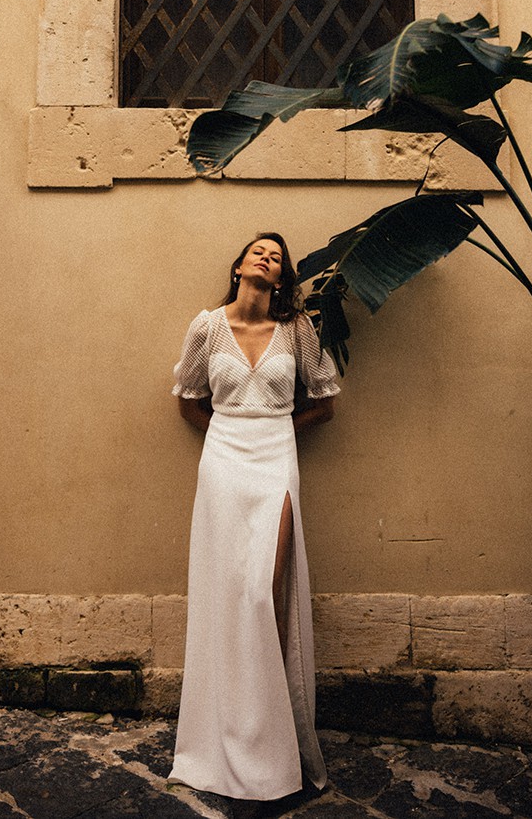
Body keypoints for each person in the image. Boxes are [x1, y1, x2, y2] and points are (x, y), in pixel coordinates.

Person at [168, 233, 340, 812]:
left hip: (275, 461)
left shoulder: (297, 330)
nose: (268, 258)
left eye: (278, 256)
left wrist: (272, 431)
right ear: (240, 265)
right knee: (227, 597)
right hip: (222, 462)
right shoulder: (206, 327)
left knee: (266, 593)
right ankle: (224, 741)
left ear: (282, 276)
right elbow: (189, 401)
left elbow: (324, 402)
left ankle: (275, 745)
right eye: (259, 251)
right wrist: (229, 434)